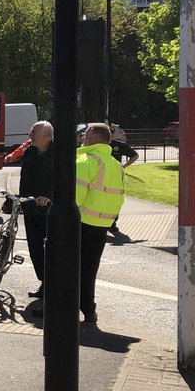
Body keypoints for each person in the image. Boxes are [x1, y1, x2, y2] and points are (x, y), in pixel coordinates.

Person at [75, 122, 126, 326]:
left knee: (65, 266)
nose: (83, 136)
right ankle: (89, 310)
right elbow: (120, 196)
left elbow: (76, 196)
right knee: (89, 269)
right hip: (101, 223)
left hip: (81, 221)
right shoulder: (115, 164)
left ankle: (60, 309)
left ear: (95, 137)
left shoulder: (87, 160)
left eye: (86, 133)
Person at [17, 120, 54, 306]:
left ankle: (51, 285)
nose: (30, 135)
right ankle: (43, 282)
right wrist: (18, 199)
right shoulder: (30, 152)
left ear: (46, 136)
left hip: (47, 211)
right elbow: (24, 177)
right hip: (30, 208)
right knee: (34, 249)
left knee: (50, 250)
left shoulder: (58, 154)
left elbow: (61, 180)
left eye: (34, 132)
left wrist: (49, 196)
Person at [106, 133, 138, 235]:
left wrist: (124, 166)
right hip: (99, 175)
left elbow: (135, 155)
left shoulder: (119, 145)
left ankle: (112, 224)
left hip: (115, 177)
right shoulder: (97, 146)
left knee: (114, 199)